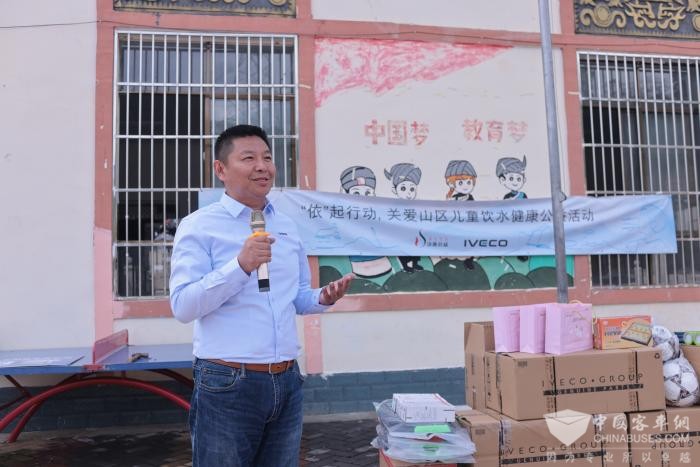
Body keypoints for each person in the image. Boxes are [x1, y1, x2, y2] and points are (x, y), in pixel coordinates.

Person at [170, 124, 354, 467]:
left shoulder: (285, 225)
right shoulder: (199, 226)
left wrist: (323, 298)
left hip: (286, 380)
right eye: (249, 158)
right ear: (221, 169)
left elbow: (297, 297)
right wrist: (240, 266)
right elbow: (183, 305)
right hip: (227, 382)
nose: (262, 167)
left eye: (267, 158)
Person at [384, 162, 423, 273]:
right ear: (394, 190)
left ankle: (415, 264)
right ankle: (405, 266)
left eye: (412, 189)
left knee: (415, 248)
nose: (408, 193)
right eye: (403, 188)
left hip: (413, 233)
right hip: (400, 234)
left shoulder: (417, 206)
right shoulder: (394, 207)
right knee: (402, 250)